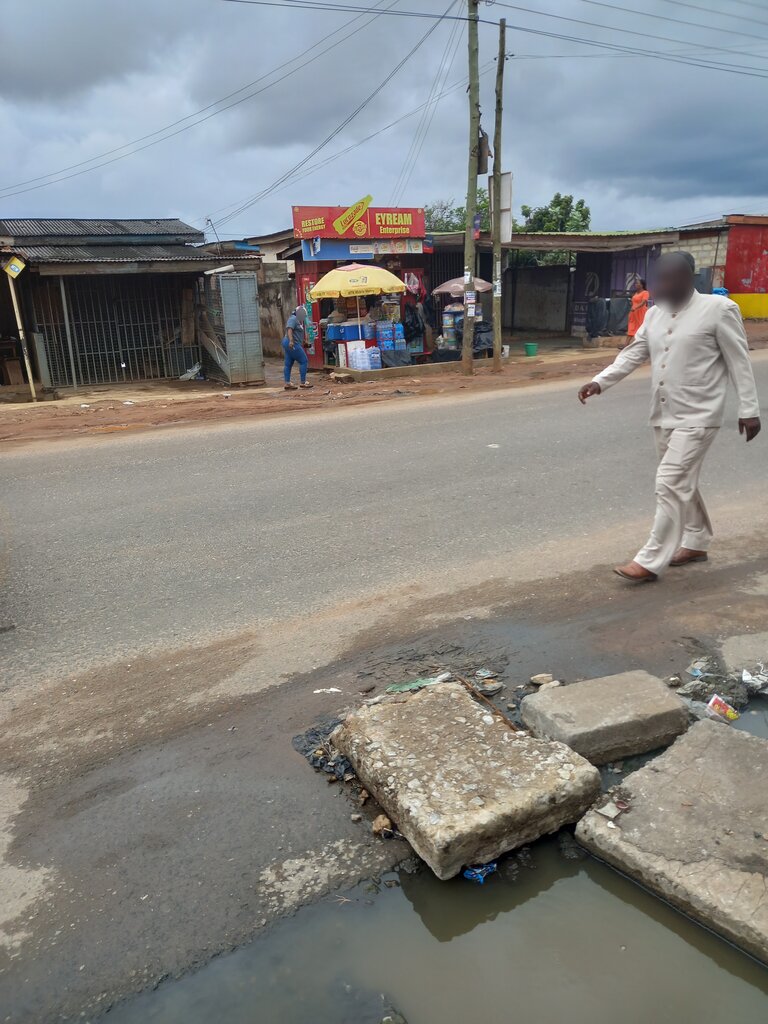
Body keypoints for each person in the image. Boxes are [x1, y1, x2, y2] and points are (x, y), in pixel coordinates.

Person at [578, 251, 761, 583]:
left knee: (669, 482)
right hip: (663, 412)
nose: (663, 284)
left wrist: (749, 410)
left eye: (671, 278)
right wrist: (599, 382)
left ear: (689, 278)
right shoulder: (654, 314)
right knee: (681, 483)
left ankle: (650, 560)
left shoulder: (718, 310)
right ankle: (697, 540)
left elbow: (738, 361)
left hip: (700, 414)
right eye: (659, 278)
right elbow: (634, 353)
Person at [282, 306, 313, 390]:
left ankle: (287, 383)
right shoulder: (293, 319)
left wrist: (303, 342)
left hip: (289, 342)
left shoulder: (298, 321)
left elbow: (296, 333)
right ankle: (303, 382)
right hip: (292, 343)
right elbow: (289, 329)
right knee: (304, 361)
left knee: (288, 363)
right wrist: (291, 341)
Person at [623, 277, 650, 348]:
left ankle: (640, 345)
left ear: (642, 285)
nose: (635, 284)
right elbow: (633, 302)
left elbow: (643, 302)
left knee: (640, 328)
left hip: (640, 313)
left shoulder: (645, 293)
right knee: (631, 327)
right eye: (635, 283)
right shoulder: (635, 293)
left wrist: (636, 307)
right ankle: (625, 345)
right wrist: (632, 309)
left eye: (637, 283)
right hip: (633, 313)